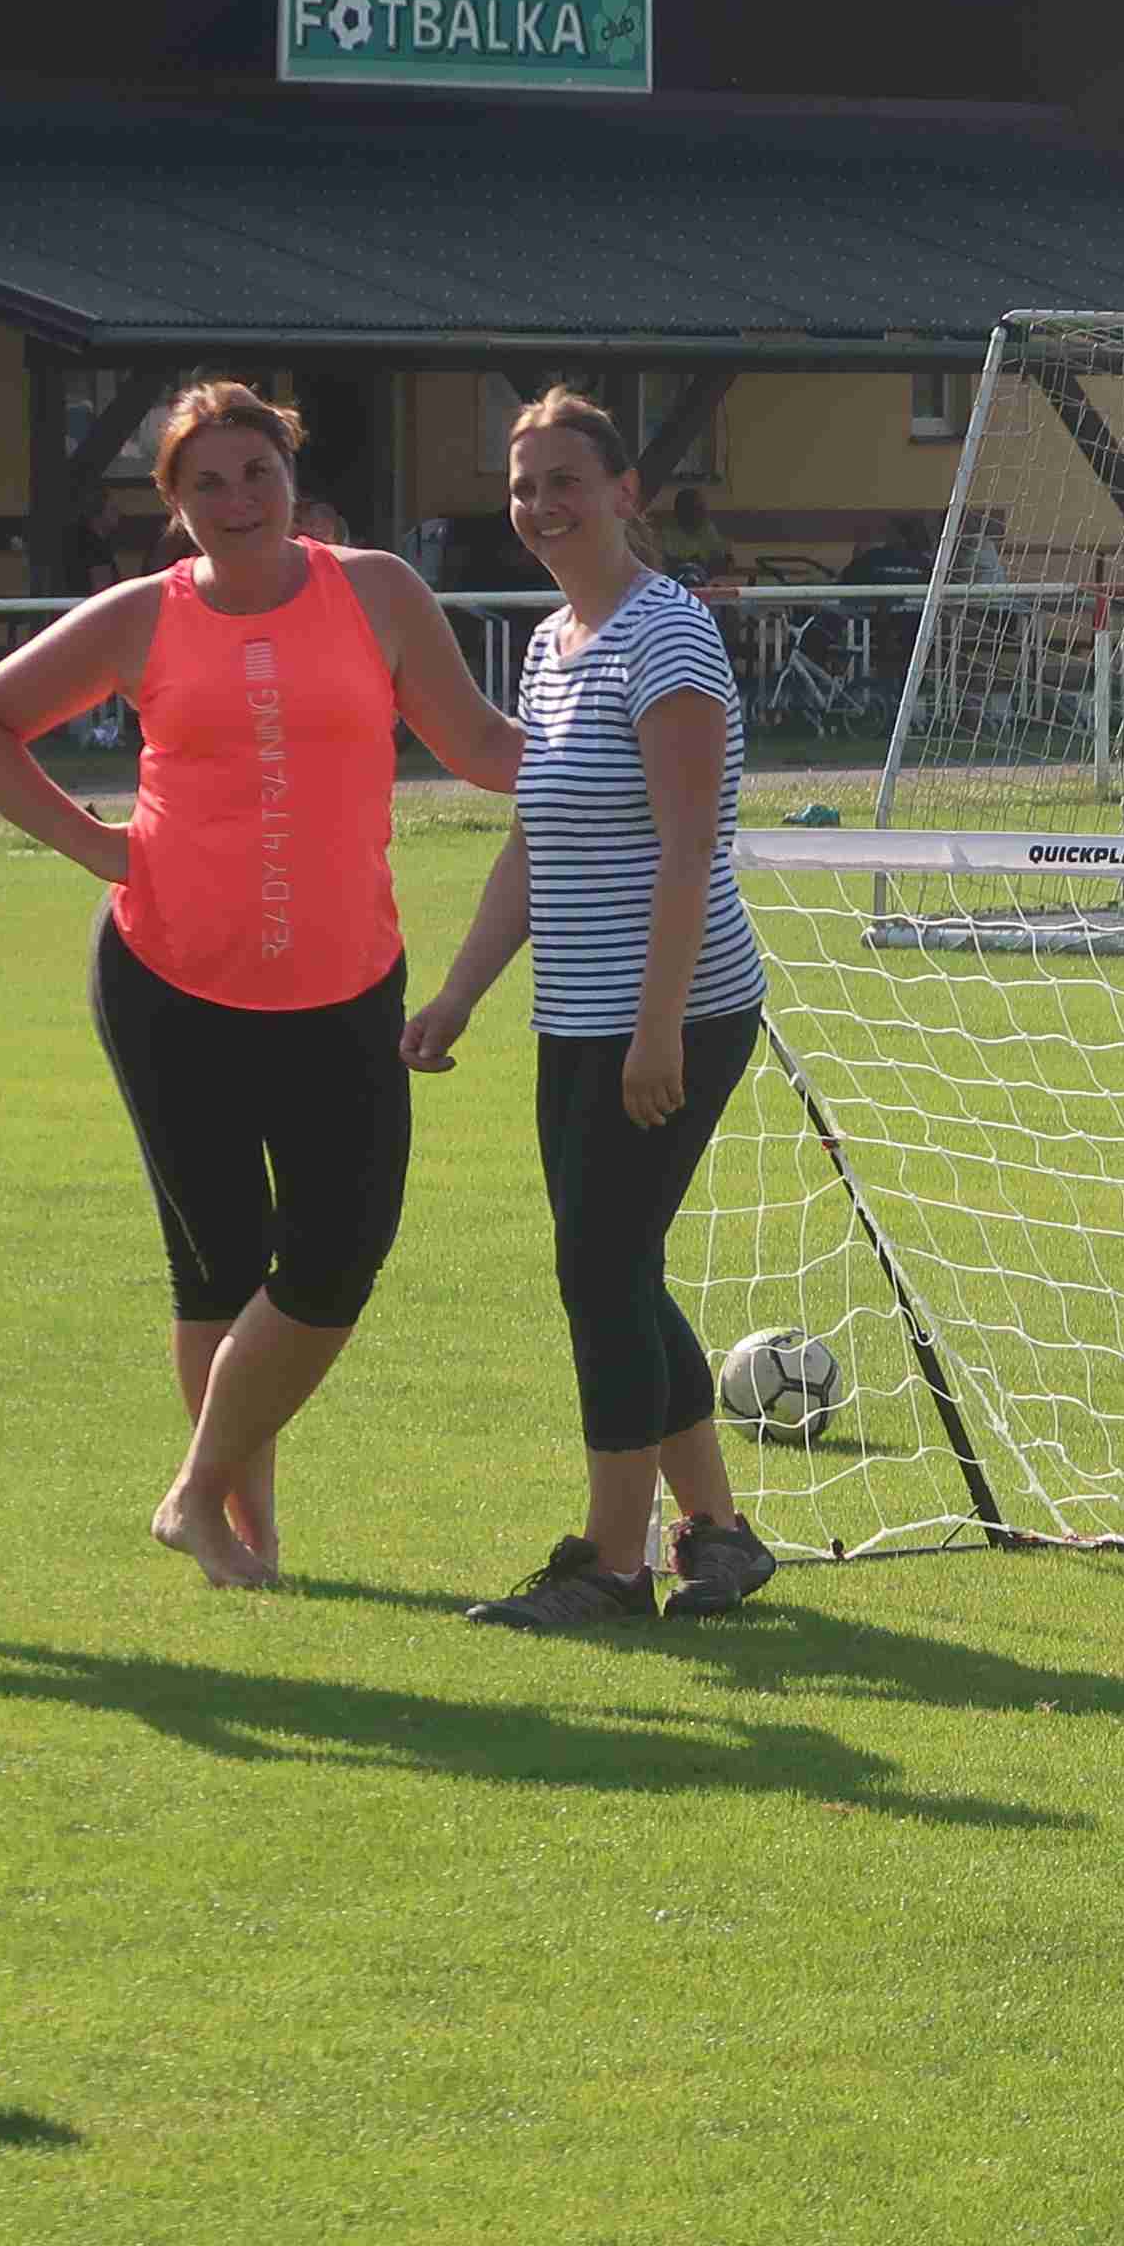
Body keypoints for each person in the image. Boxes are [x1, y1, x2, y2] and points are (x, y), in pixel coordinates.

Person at [0, 382, 526, 1588]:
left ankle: (190, 1492)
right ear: (173, 502)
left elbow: (479, 746)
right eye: (206, 482)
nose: (237, 500)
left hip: (345, 982)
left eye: (257, 472)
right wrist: (98, 846)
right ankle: (238, 1531)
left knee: (337, 1257)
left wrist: (604, 753)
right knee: (215, 1263)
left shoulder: (376, 592)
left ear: (293, 477)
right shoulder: (140, 618)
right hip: (169, 982)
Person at [400, 389, 784, 1629]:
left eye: (565, 481)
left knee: (601, 1269)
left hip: (674, 1013)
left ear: (625, 493)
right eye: (524, 487)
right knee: (615, 1267)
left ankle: (615, 1565)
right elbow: (536, 843)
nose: (541, 505)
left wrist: (657, 1028)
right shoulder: (552, 644)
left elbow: (689, 847)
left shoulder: (668, 636)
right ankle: (718, 1534)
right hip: (576, 1017)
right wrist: (459, 993)